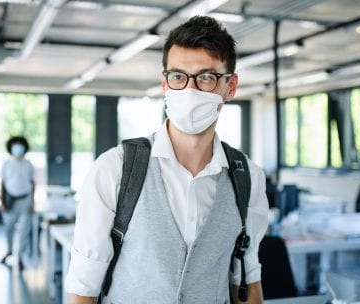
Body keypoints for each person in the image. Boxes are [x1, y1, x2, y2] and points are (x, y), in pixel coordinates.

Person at [66, 16, 269, 304]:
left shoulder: (248, 177)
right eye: (178, 76)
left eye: (206, 78)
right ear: (165, 84)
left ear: (230, 86)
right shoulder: (116, 169)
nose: (189, 90)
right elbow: (82, 290)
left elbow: (246, 284)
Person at [0, 136, 36, 270]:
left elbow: (33, 184)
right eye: (15, 146)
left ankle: (19, 257)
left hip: (25, 200)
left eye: (20, 146)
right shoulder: (6, 164)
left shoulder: (29, 164)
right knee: (8, 228)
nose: (18, 149)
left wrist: (33, 202)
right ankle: (9, 251)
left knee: (24, 231)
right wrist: (1, 202)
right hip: (10, 201)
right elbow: (2, 184)